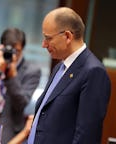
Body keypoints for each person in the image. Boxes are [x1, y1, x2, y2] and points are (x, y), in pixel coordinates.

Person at [27, 7, 111, 144]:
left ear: (67, 36)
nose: (43, 44)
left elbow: (86, 136)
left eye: (48, 38)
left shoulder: (93, 72)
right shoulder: (60, 67)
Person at [0, 28, 41, 143]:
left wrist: (11, 76)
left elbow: (20, 104)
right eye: (8, 50)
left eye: (17, 51)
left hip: (9, 131)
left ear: (22, 49)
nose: (12, 55)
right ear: (1, 47)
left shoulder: (32, 71)